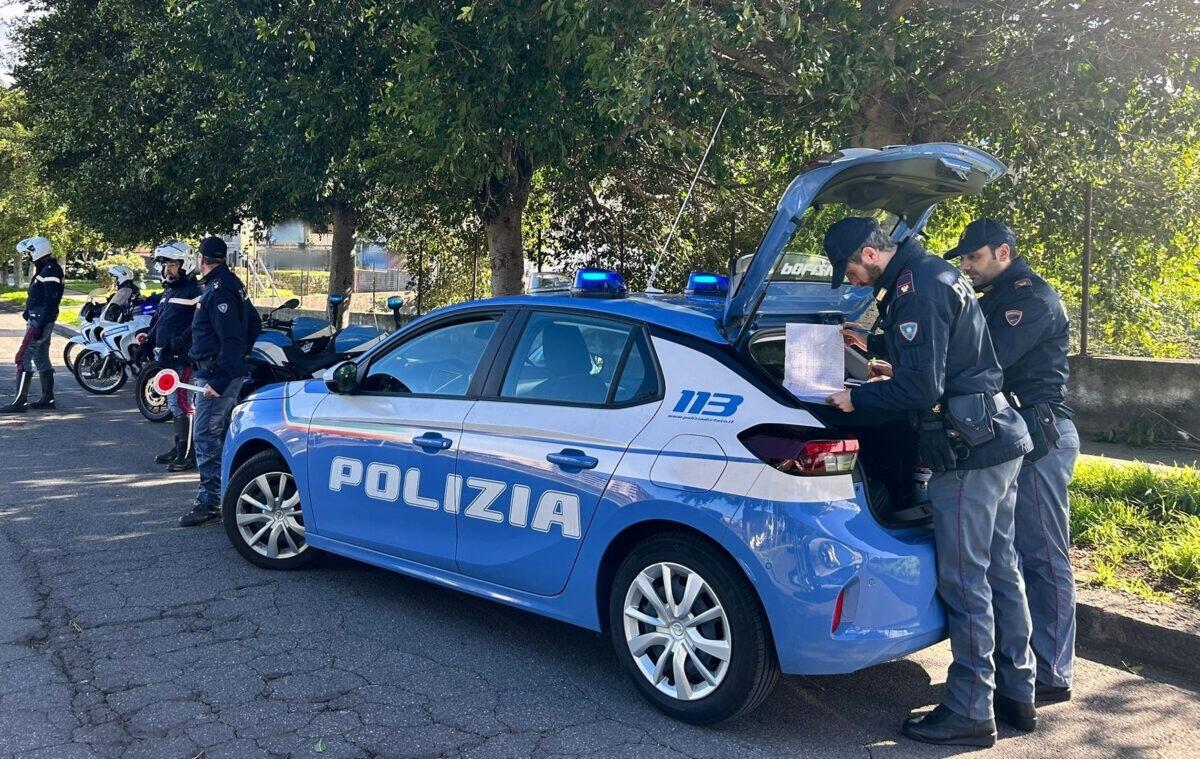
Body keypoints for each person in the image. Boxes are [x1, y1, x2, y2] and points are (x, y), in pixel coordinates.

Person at [821, 218, 1036, 747]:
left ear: (871, 254)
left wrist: (857, 399)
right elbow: (940, 359)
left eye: (849, 268)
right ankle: (1016, 690)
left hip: (967, 452)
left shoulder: (918, 286)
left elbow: (921, 388)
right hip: (997, 437)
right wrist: (874, 348)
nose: (849, 280)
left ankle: (969, 711)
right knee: (1002, 569)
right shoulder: (929, 276)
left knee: (965, 581)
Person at [945, 219, 1078, 704]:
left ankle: (1053, 670)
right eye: (961, 258)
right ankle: (1016, 664)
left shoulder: (1031, 298)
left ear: (1003, 252)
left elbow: (986, 361)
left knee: (1043, 553)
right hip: (1008, 436)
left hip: (1042, 435)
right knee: (1013, 557)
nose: (965, 266)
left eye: (973, 257)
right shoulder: (995, 297)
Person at [179, 236, 253, 527]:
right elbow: (252, 327)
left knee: (206, 438)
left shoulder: (219, 290)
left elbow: (233, 339)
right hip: (218, 372)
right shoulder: (228, 283)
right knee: (219, 436)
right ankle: (225, 495)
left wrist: (220, 379)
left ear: (202, 259)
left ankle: (210, 502)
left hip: (215, 376)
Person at [140, 241, 202, 472]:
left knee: (184, 403)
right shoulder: (171, 291)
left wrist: (178, 344)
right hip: (168, 357)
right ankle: (179, 448)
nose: (168, 270)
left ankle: (188, 454)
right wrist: (149, 341)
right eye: (165, 265)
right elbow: (161, 321)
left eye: (173, 265)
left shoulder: (195, 292)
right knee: (174, 403)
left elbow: (197, 326)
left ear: (184, 264)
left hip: (184, 358)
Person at [2, 237, 64, 413]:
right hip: (39, 319)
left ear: (39, 251)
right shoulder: (46, 268)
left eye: (29, 253)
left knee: (22, 357)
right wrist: (29, 311)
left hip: (41, 321)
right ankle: (47, 398)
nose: (28, 257)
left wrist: (40, 324)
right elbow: (42, 298)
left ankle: (20, 402)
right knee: (40, 357)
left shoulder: (50, 270)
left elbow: (51, 301)